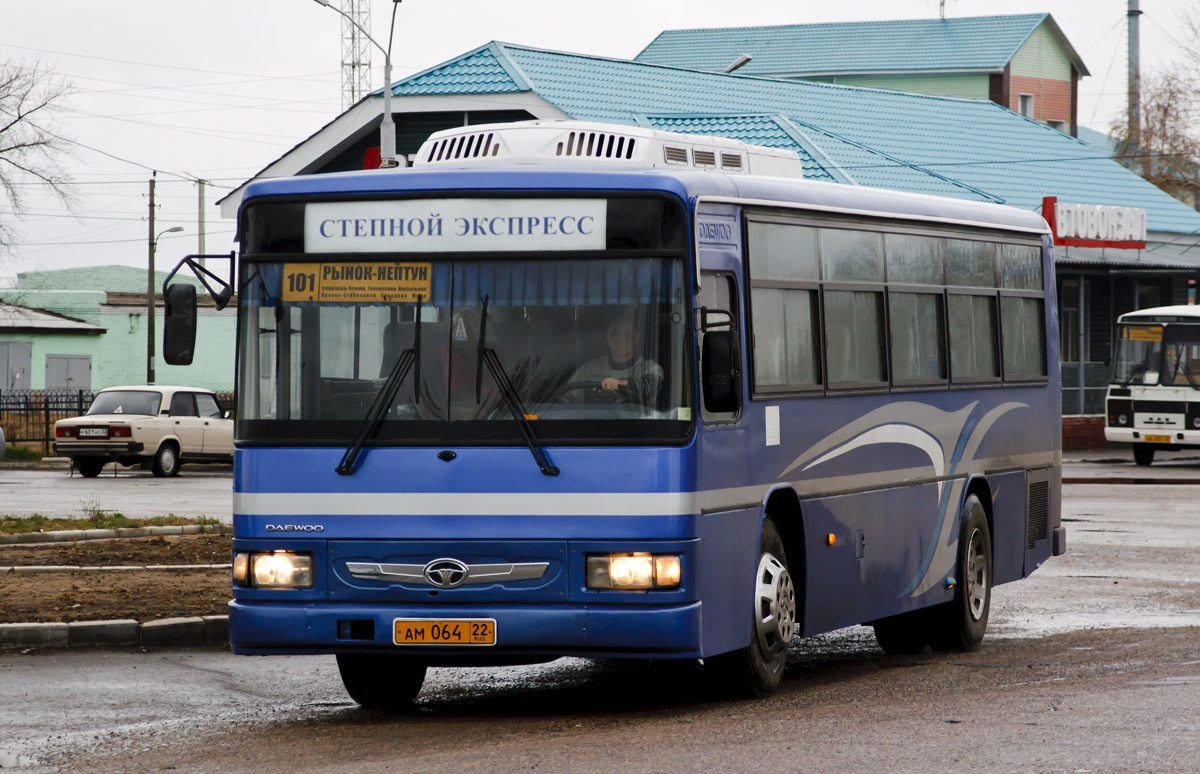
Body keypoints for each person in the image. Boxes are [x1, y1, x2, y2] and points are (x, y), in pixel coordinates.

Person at [565, 305, 663, 406]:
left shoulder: (649, 368)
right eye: (615, 333)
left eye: (628, 334)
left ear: (637, 338)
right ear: (607, 336)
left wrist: (620, 384)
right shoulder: (588, 369)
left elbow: (651, 389)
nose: (620, 340)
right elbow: (566, 402)